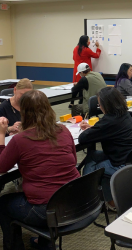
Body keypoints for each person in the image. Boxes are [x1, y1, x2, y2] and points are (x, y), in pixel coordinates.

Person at [0, 90, 80, 250]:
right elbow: (74, 160)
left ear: (24, 112)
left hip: (46, 210)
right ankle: (44, 242)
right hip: (75, 201)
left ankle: (15, 246)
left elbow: (1, 166)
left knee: (3, 203)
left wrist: (2, 134)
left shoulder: (20, 140)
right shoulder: (63, 130)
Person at [79, 87, 132, 210]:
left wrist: (92, 129)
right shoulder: (123, 113)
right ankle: (107, 199)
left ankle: (88, 200)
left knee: (93, 166)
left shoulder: (109, 121)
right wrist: (94, 128)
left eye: (99, 104)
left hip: (122, 164)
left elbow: (82, 138)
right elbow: (106, 128)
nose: (99, 107)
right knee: (93, 155)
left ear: (105, 105)